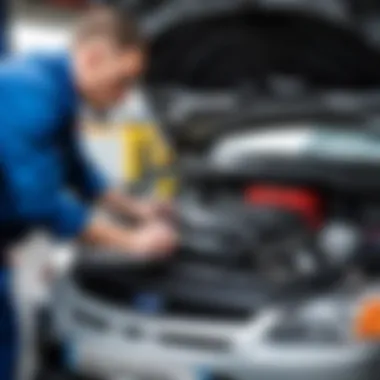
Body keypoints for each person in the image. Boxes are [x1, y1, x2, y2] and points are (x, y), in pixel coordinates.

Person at [0, 6, 178, 380]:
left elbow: (78, 171)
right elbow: (41, 203)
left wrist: (137, 209)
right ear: (94, 57)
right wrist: (132, 243)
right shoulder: (31, 93)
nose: (125, 97)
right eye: (122, 82)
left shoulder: (54, 84)